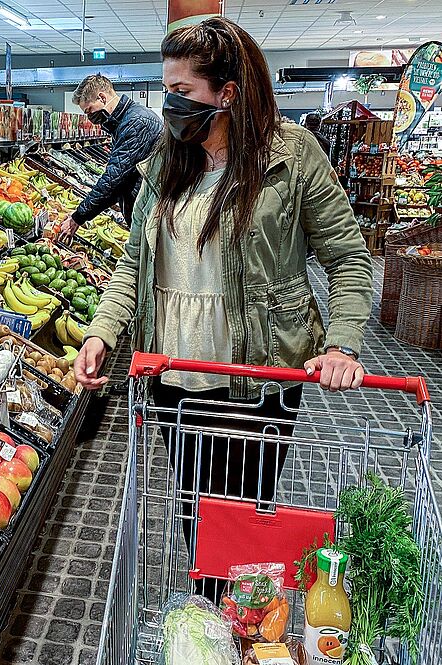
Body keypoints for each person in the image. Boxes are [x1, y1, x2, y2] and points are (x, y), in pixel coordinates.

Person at [73, 18, 373, 598]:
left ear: (227, 92)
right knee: (191, 512)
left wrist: (341, 343)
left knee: (243, 521)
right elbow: (134, 265)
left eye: (182, 92)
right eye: (166, 90)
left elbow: (348, 257)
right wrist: (103, 332)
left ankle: (239, 620)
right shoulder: (167, 156)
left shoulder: (292, 155)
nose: (169, 104)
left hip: (255, 375)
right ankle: (212, 620)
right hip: (176, 377)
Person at [59, 75, 163, 238]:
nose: (90, 117)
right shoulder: (124, 122)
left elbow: (113, 179)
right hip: (147, 215)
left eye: (89, 111)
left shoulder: (135, 123)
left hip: (153, 218)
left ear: (101, 97)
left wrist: (78, 217)